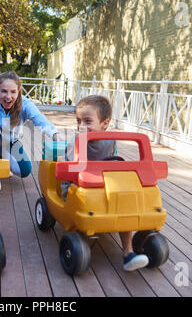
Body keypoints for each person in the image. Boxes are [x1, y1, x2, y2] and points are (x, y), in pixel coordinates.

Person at [61, 95, 149, 272]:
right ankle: (83, 236)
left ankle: (128, 252)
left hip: (103, 186)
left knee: (125, 202)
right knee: (90, 196)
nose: (81, 126)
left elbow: (112, 160)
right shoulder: (76, 142)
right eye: (78, 121)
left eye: (87, 121)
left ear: (105, 123)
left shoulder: (110, 140)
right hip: (76, 186)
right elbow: (70, 172)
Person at [0, 71, 59, 190]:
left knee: (25, 170)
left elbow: (38, 118)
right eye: (4, 91)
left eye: (13, 92)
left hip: (8, 142)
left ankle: (1, 162)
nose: (8, 96)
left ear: (18, 92)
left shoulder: (25, 103)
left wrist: (55, 134)